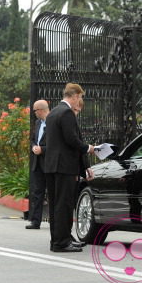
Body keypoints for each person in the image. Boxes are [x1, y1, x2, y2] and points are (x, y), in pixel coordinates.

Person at [44, 83, 95, 252]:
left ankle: (58, 239)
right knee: (64, 204)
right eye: (80, 97)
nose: (79, 101)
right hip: (64, 166)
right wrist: (88, 148)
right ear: (74, 96)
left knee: (55, 205)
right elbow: (71, 140)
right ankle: (62, 242)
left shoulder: (53, 113)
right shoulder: (66, 112)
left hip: (52, 166)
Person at [26, 100, 49, 230]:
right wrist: (34, 146)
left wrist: (43, 149)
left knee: (52, 193)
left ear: (40, 110)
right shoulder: (38, 123)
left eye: (35, 110)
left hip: (49, 163)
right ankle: (35, 221)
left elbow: (56, 144)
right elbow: (33, 139)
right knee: (37, 193)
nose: (34, 113)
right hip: (37, 163)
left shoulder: (53, 123)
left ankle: (54, 220)